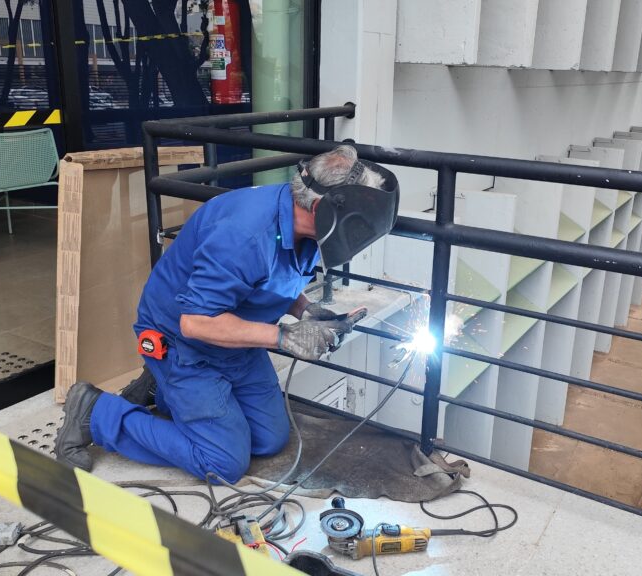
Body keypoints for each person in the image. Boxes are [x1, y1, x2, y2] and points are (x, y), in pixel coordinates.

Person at [55, 145, 400, 483]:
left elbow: (269, 278)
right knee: (223, 462)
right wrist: (284, 338)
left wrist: (306, 310)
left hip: (235, 336)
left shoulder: (303, 225)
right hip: (182, 340)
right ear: (324, 208)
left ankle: (164, 391)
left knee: (269, 439)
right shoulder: (244, 234)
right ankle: (96, 412)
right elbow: (195, 323)